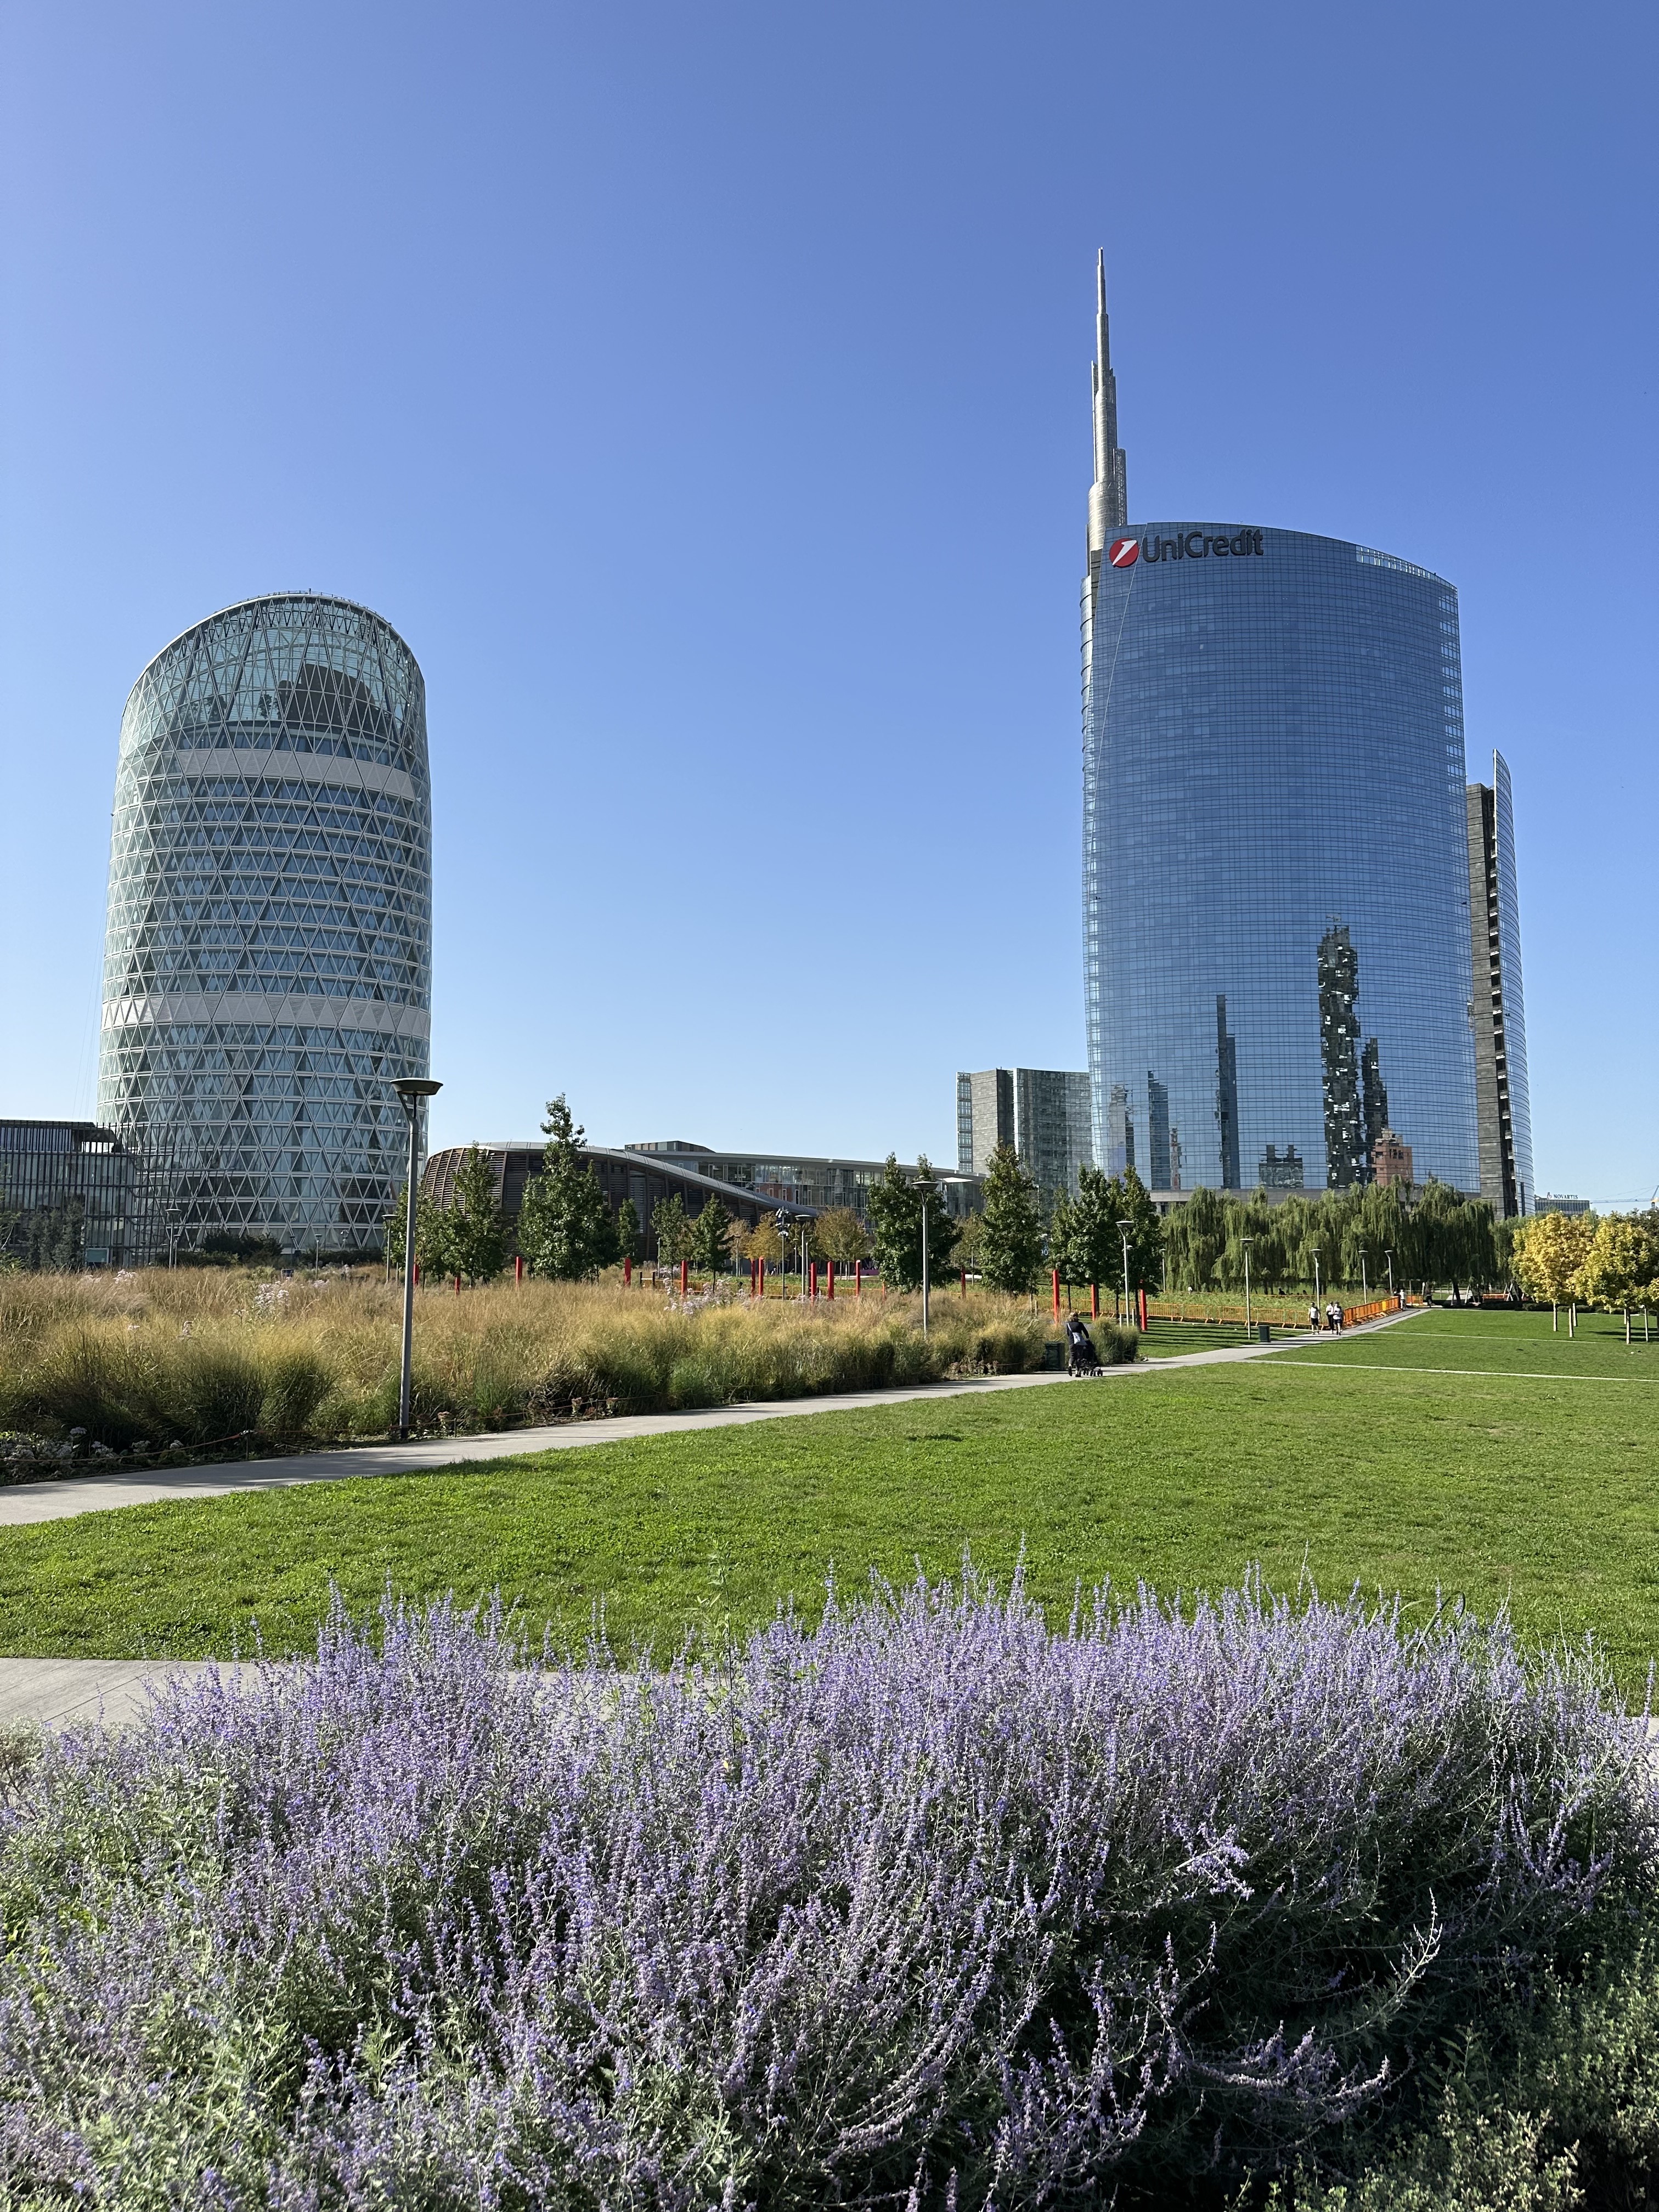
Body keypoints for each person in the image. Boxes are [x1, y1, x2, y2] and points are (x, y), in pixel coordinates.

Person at [1065, 1310, 1098, 1376]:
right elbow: (1086, 1332)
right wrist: (1087, 1337)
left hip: (1072, 1342)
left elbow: (1068, 1334)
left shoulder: (1068, 1324)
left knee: (1073, 1356)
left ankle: (1070, 1365)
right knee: (1079, 1357)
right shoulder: (1080, 1324)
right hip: (1079, 1342)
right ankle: (1077, 1372)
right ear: (1077, 1317)